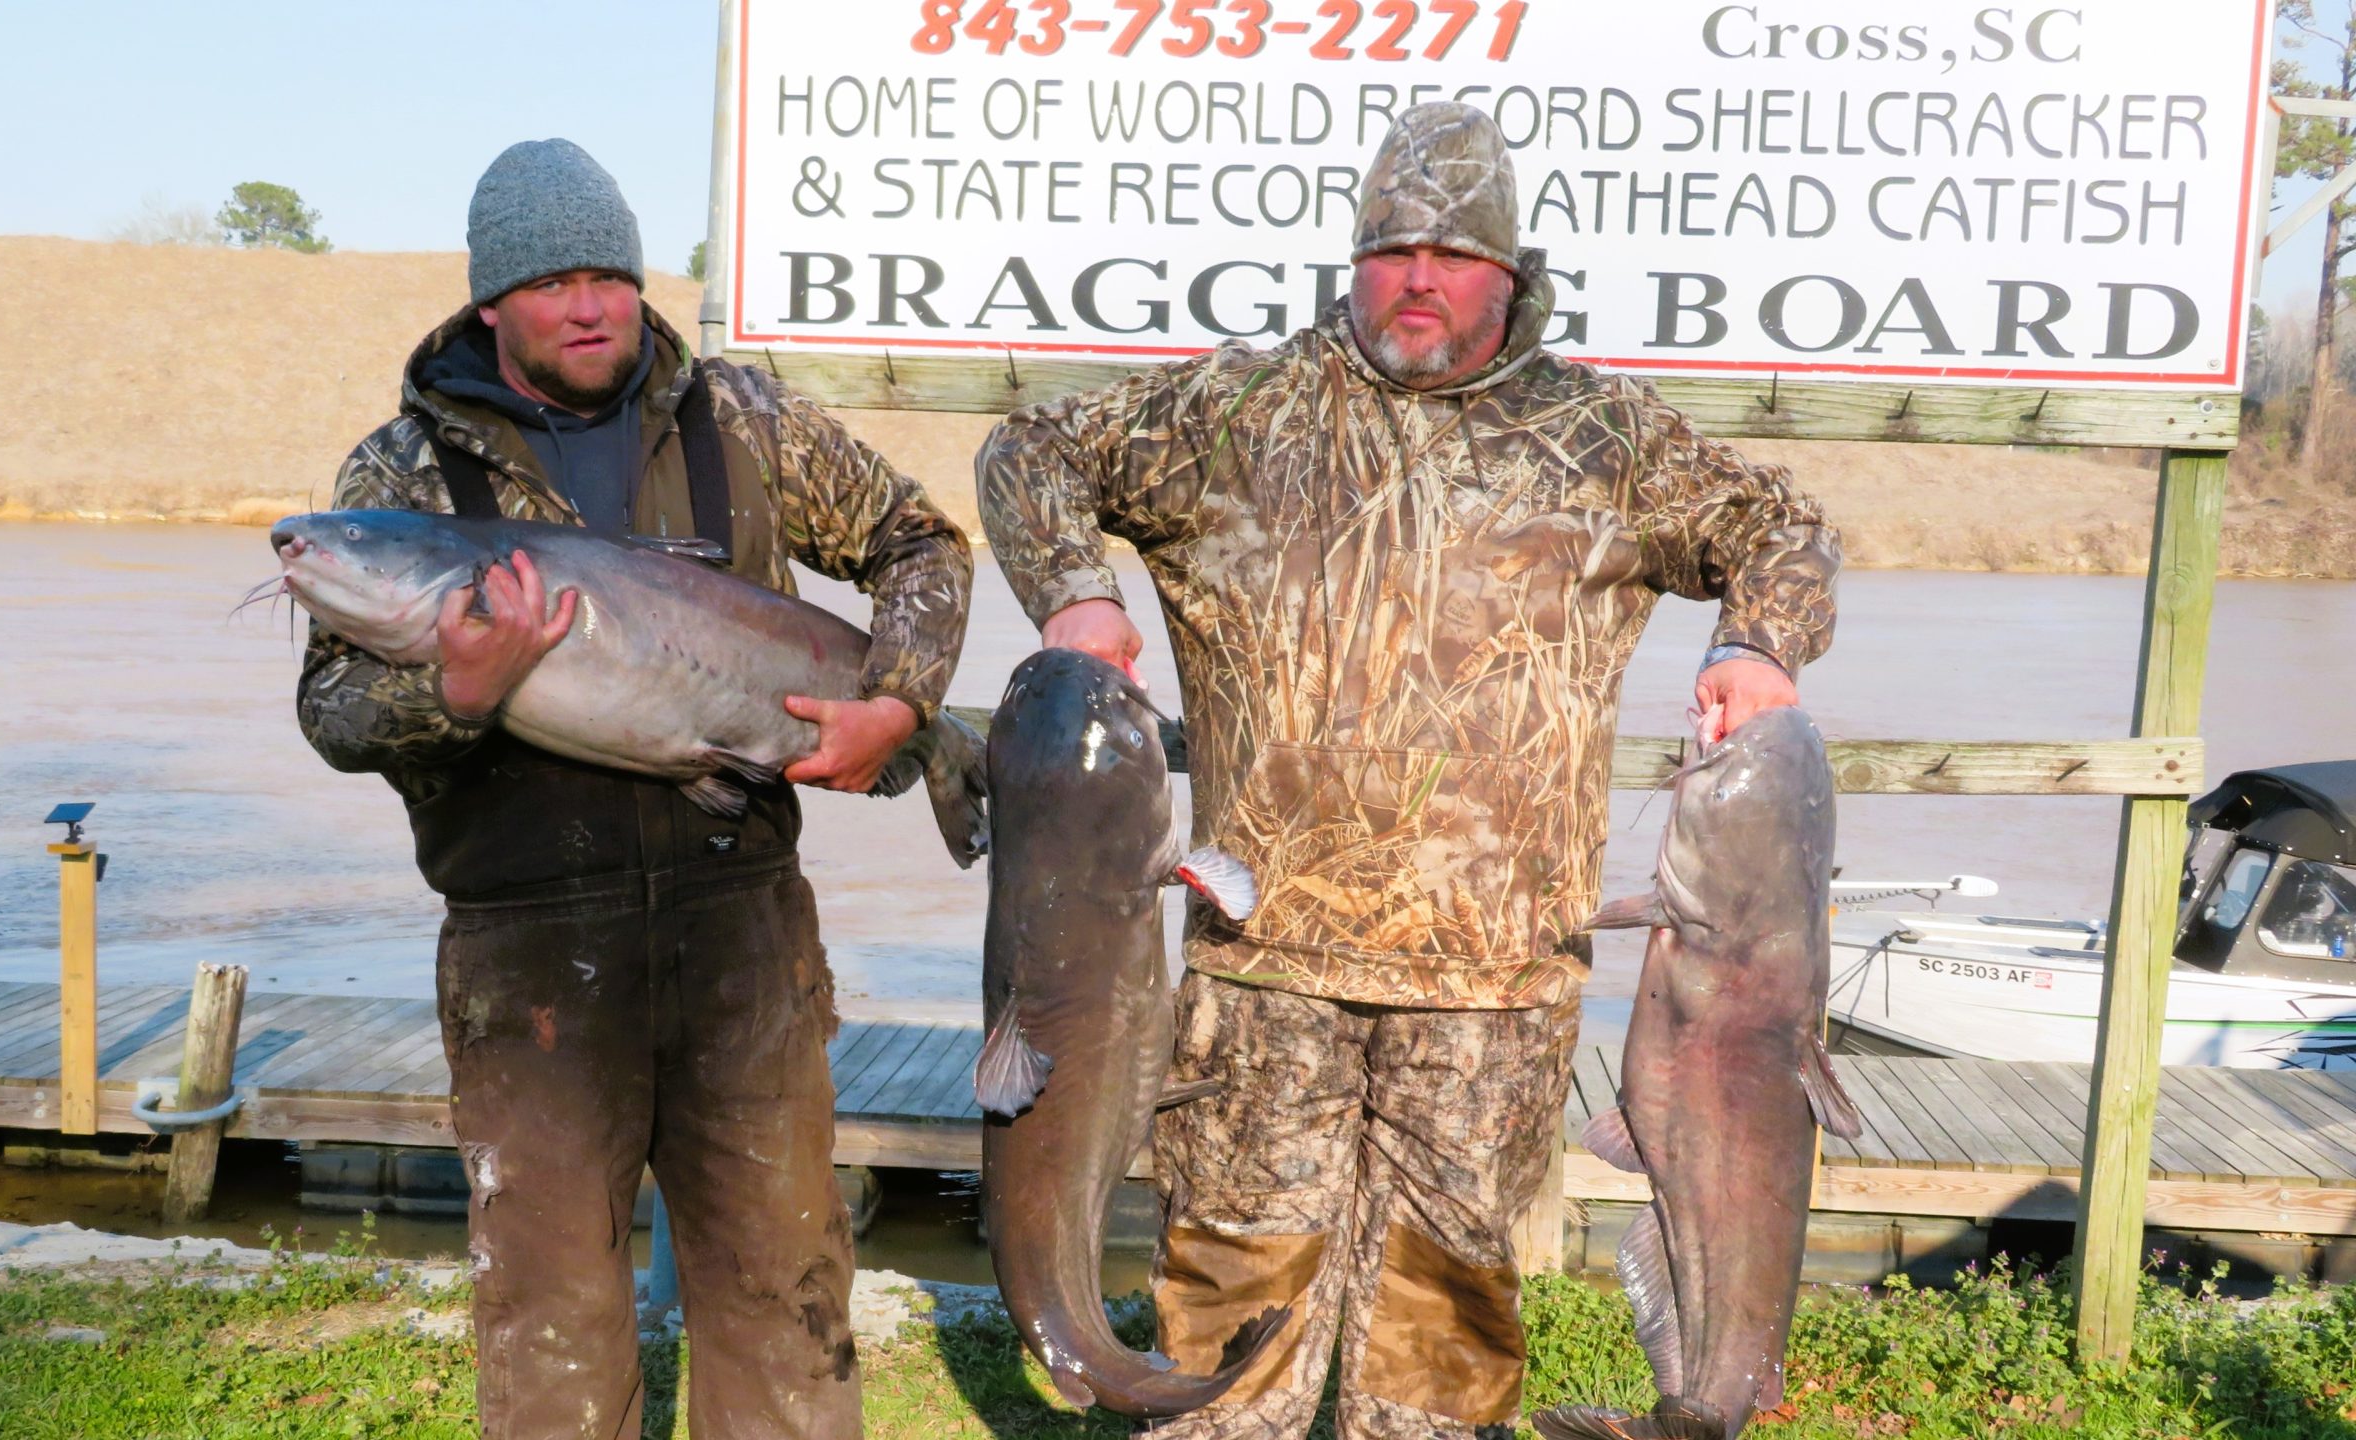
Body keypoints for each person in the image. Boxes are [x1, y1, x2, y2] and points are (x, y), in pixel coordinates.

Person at [974, 103, 1840, 1438]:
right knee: (1227, 1311)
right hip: (1262, 968)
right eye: (1391, 249)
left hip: (1497, 984)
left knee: (1444, 1332)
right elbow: (1029, 452)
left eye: (1453, 252)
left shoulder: (1603, 440)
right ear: (1355, 257)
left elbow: (1783, 529)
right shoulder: (1236, 410)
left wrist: (1761, 649)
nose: (1419, 277)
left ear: (1512, 271)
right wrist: (1079, 600)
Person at [294, 138, 971, 1439]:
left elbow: (919, 543)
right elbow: (330, 713)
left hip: (744, 940)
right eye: (554, 281)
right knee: (553, 1321)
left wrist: (902, 701)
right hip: (529, 963)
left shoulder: (744, 420)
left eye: (612, 271)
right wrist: (458, 693)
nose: (594, 304)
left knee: (784, 1302)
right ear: (493, 299)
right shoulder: (406, 475)